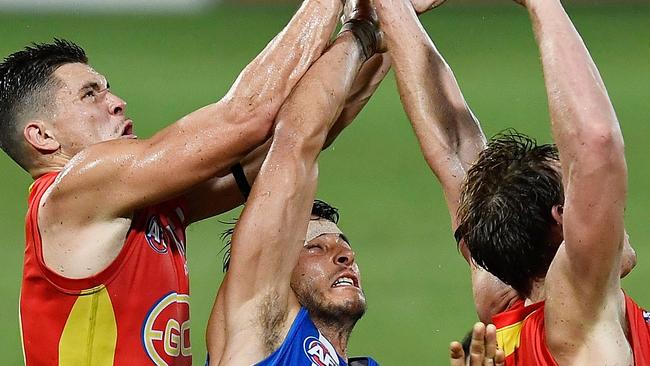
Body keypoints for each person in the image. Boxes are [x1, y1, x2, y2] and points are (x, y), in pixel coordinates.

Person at [0, 1, 352, 363]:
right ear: (41, 136)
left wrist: (370, 32)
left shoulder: (142, 208)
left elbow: (294, 142)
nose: (118, 103)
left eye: (108, 89)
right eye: (90, 94)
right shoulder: (70, 193)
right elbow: (247, 115)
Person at [452, 0, 650, 364]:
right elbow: (596, 142)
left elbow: (453, 146)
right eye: (575, 188)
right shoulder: (580, 317)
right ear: (564, 218)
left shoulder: (502, 302)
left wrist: (388, 14)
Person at [204, 1, 385, 364]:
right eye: (314, 248)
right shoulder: (258, 335)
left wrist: (397, 21)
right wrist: (366, 32)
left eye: (341, 245)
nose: (345, 256)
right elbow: (297, 140)